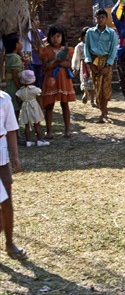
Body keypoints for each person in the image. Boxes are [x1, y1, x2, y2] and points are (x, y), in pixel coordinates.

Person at [0, 90, 27, 260]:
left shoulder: (3, 99)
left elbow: (11, 129)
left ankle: (9, 243)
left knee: (6, 200)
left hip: (1, 155)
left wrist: (14, 155)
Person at [40, 26, 76, 139]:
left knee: (65, 104)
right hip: (51, 79)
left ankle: (67, 130)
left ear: (62, 37)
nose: (55, 39)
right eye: (53, 36)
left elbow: (69, 64)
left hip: (64, 78)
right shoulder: (45, 50)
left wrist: (56, 62)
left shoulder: (67, 49)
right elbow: (46, 67)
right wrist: (58, 61)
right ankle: (49, 131)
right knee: (49, 105)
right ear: (49, 37)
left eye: (58, 36)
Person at [84, 9, 118, 124]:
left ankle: (104, 112)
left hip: (106, 62)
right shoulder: (90, 32)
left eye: (102, 17)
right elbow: (86, 49)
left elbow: (113, 50)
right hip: (94, 62)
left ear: (106, 19)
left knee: (105, 87)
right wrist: (89, 63)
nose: (100, 19)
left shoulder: (112, 33)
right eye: (98, 17)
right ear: (95, 18)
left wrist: (108, 66)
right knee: (97, 86)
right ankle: (102, 110)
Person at [15, 70, 49, 147]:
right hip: (34, 107)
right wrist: (42, 108)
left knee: (27, 125)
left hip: (25, 108)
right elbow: (39, 99)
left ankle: (28, 141)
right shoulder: (35, 90)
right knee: (37, 124)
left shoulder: (20, 91)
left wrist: (23, 101)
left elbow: (18, 99)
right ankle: (40, 140)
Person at [72, 27, 96, 107]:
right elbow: (76, 57)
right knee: (84, 81)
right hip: (84, 66)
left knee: (93, 83)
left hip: (93, 65)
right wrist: (75, 68)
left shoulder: (94, 45)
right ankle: (86, 93)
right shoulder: (79, 46)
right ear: (82, 36)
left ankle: (92, 100)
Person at [2, 33, 24, 121]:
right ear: (16, 45)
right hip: (14, 86)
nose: (22, 43)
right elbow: (15, 76)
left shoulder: (7, 56)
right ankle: (15, 132)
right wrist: (20, 88)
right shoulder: (15, 58)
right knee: (15, 109)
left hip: (8, 85)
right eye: (21, 41)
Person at [28, 13, 46, 89]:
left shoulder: (39, 32)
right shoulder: (27, 33)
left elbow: (45, 41)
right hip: (31, 62)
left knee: (40, 82)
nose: (38, 22)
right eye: (35, 20)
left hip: (39, 60)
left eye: (38, 19)